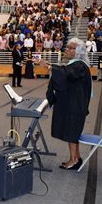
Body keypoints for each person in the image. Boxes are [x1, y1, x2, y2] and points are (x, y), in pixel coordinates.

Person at [37, 37, 92, 170]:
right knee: (72, 132)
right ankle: (76, 158)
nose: (66, 49)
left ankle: (73, 160)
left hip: (75, 107)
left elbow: (66, 74)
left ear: (78, 51)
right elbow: (64, 73)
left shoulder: (79, 65)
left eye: (70, 48)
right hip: (74, 106)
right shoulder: (76, 64)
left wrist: (49, 67)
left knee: (72, 133)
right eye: (67, 47)